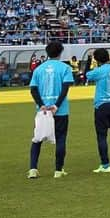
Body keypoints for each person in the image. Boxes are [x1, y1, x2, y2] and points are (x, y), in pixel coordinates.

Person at [27, 41, 74, 179]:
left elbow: (33, 89)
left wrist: (41, 104)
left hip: (43, 111)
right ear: (60, 52)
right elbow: (65, 88)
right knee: (61, 139)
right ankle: (58, 170)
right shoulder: (65, 68)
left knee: (37, 139)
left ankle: (33, 169)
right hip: (60, 110)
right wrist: (57, 105)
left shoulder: (39, 69)